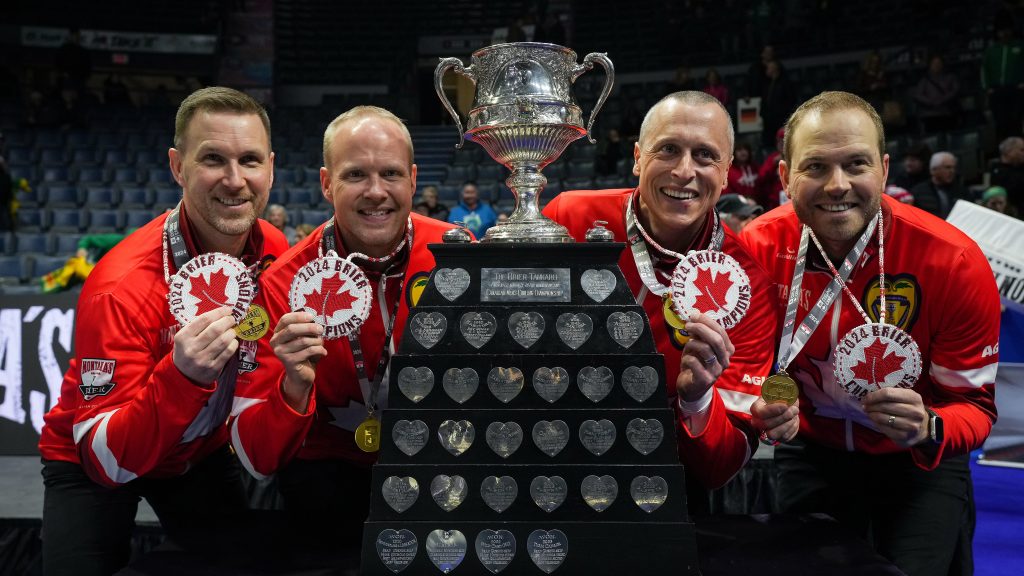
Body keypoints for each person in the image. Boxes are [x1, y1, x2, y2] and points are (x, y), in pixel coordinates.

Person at [742, 91, 999, 576]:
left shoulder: (953, 262)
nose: (837, 185)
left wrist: (930, 427)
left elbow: (977, 409)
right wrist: (759, 402)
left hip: (917, 463)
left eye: (856, 164)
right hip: (812, 452)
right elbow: (743, 371)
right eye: (815, 166)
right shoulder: (757, 247)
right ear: (783, 177)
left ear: (883, 170)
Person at [37, 87, 289, 576]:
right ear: (178, 167)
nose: (235, 181)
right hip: (94, 456)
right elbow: (107, 462)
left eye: (250, 160)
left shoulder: (272, 249)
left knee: (243, 564)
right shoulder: (119, 286)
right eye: (213, 159)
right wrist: (183, 375)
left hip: (197, 451)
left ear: (271, 168)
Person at [230, 106, 461, 551]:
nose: (376, 192)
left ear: (413, 180)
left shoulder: (457, 258)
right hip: (324, 483)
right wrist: (292, 388)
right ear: (326, 183)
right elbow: (255, 458)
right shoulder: (281, 285)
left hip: (439, 468)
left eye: (391, 173)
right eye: (355, 175)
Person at [542, 91, 781, 490]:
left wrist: (697, 399)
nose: (684, 170)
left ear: (726, 174)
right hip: (551, 462)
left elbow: (721, 469)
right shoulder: (570, 217)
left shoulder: (748, 287)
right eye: (668, 149)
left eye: (705, 155)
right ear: (638, 158)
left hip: (662, 487)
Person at [982, 24, 1024, 142]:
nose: (1004, 34)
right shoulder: (991, 50)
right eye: (1001, 31)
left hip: (1016, 89)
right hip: (997, 90)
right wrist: (987, 88)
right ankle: (1004, 151)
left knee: (1016, 120)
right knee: (1001, 121)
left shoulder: (1020, 46)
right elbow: (984, 69)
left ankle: (1019, 151)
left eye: (1006, 30)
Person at [910, 151, 967, 218]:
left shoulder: (961, 191)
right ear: (934, 170)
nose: (952, 171)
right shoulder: (918, 192)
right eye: (947, 167)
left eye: (953, 167)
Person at [990, 136, 1024, 213]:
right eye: (1022, 150)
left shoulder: (1020, 166)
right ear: (1009, 152)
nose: (1023, 153)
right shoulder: (997, 170)